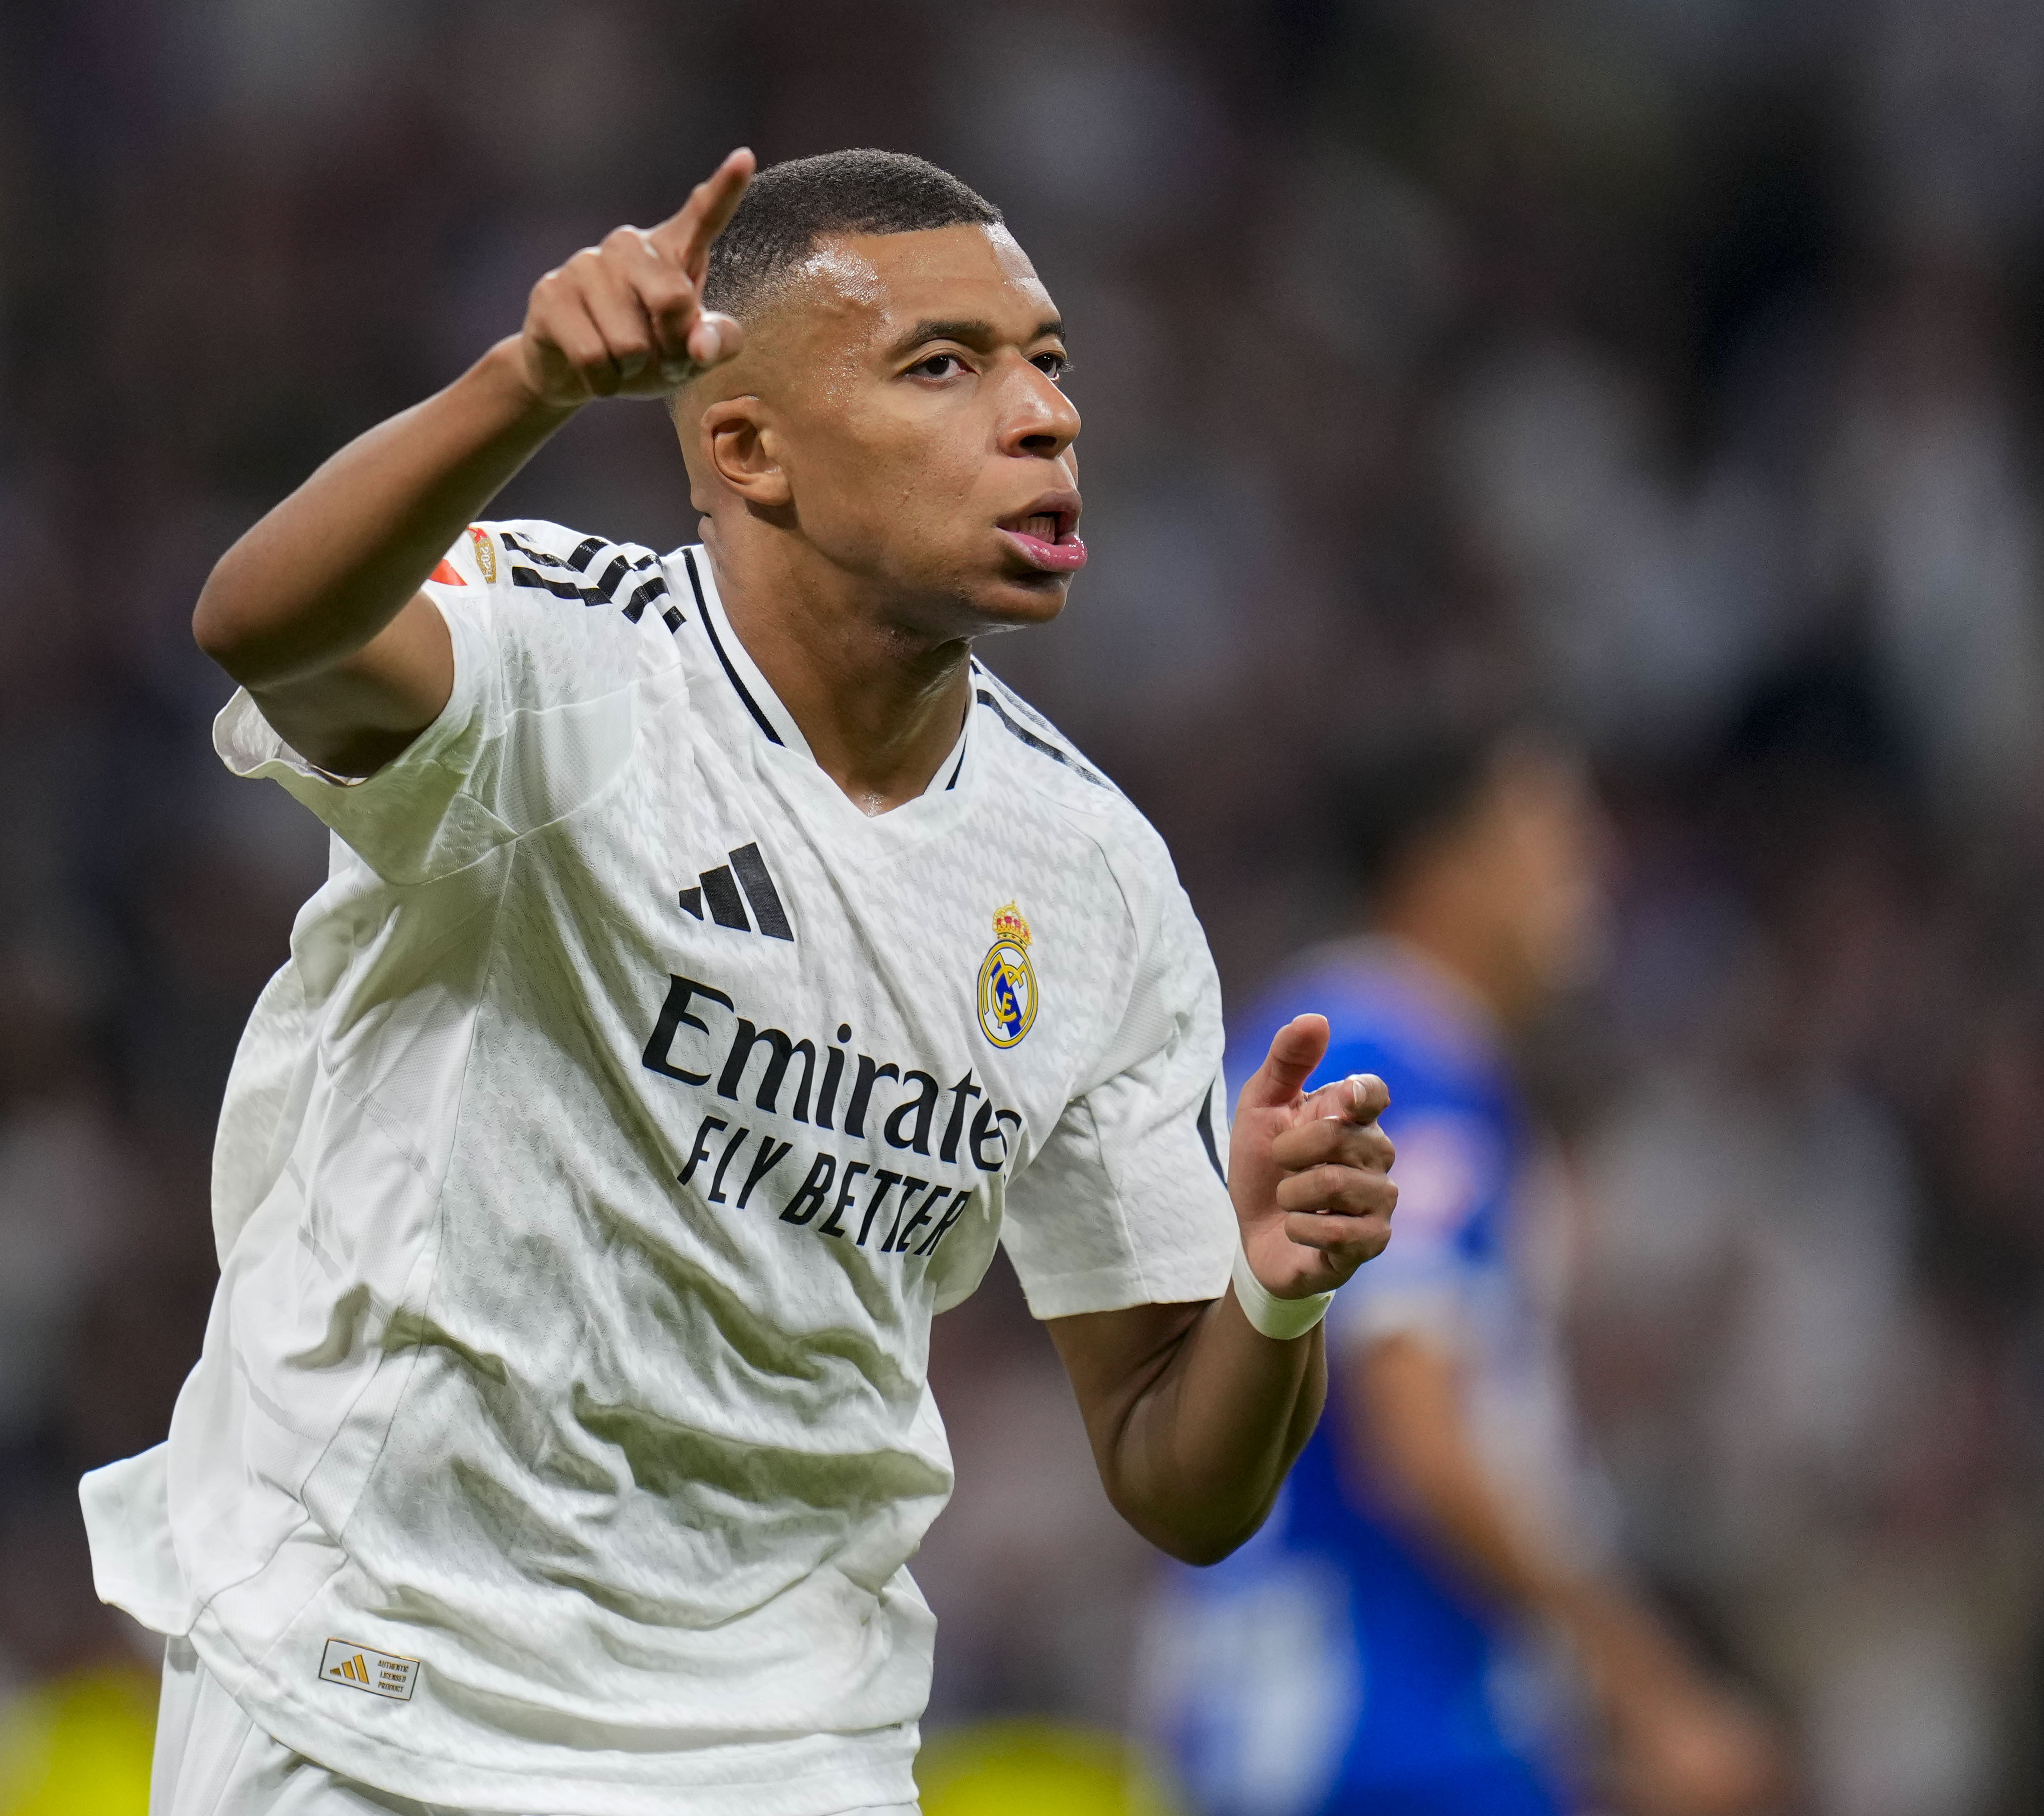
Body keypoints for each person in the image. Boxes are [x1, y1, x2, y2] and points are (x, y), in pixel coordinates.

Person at [77, 147, 1400, 1816]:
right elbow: (267, 627)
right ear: (747, 447)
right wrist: (527, 379)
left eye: (1045, 360)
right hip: (377, 1685)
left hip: (786, 1744)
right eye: (944, 365)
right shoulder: (556, 664)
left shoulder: (1098, 880)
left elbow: (1176, 1475)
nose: (1042, 414)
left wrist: (1274, 1291)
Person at [1147, 731, 1784, 1816]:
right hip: (1379, 1719)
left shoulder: (1319, 1038)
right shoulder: (1397, 1063)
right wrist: (1650, 1684)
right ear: (1439, 865)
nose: (1588, 876)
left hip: (1293, 1697)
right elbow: (1420, 1434)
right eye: (1547, 839)